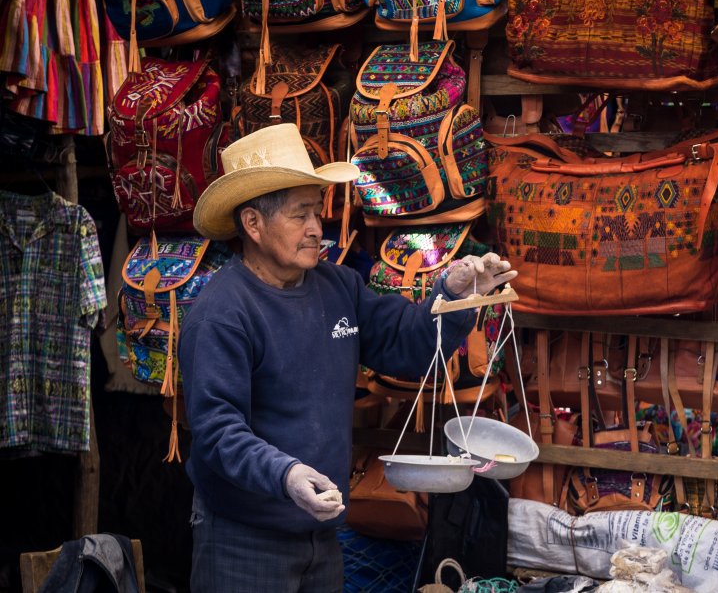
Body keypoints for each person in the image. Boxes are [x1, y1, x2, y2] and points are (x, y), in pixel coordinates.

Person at [179, 123, 516, 592]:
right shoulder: (222, 313)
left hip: (321, 531)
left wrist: (456, 295)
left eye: (317, 213)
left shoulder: (337, 288)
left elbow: (412, 345)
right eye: (300, 216)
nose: (316, 229)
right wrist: (287, 473)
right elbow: (216, 431)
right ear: (254, 224)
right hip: (243, 537)